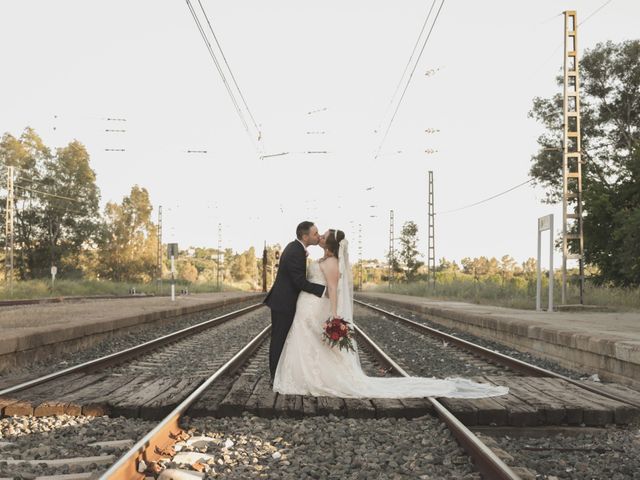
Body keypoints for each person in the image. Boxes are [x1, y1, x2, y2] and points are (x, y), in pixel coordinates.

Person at [273, 229, 509, 399]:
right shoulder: (320, 258)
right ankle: (298, 375)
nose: (320, 236)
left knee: (311, 340)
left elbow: (333, 289)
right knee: (305, 340)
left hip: (316, 305)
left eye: (323, 235)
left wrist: (334, 316)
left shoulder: (332, 262)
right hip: (308, 304)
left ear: (331, 245)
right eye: (318, 234)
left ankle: (312, 377)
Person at [264, 221, 326, 384]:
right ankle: (274, 377)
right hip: (283, 302)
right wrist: (323, 291)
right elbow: (299, 282)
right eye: (315, 233)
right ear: (305, 236)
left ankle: (277, 374)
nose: (318, 236)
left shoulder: (296, 248)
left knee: (281, 338)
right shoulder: (295, 251)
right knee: (279, 338)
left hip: (283, 300)